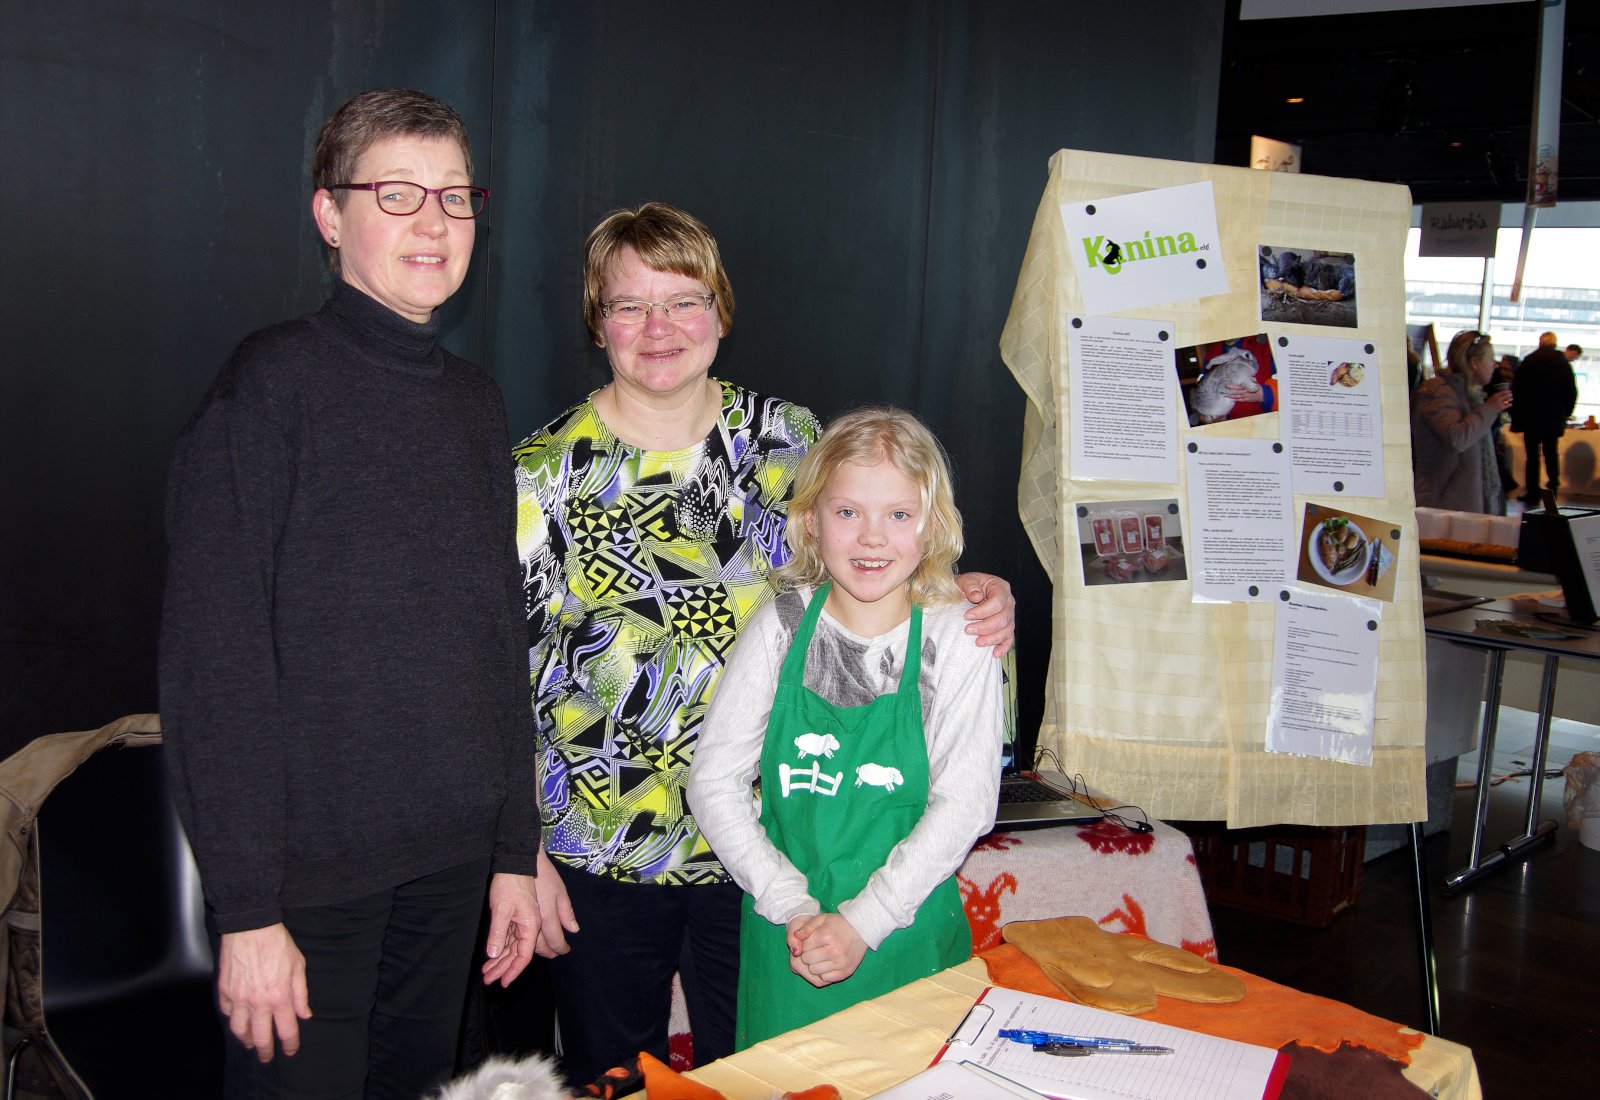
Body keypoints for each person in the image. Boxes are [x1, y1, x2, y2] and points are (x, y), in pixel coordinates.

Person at [511, 203, 1014, 1085]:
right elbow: (489, 682)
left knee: (754, 1075)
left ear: (722, 311)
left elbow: (875, 558)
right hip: (598, 855)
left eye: (685, 299)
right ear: (598, 322)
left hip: (761, 863)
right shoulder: (541, 475)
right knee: (614, 1081)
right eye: (630, 305)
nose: (659, 328)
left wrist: (971, 590)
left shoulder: (787, 445)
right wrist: (515, 858)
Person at [161, 89, 540, 1098]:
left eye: (454, 197)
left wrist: (513, 848)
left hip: (451, 868)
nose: (432, 221)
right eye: (398, 193)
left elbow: (497, 637)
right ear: (331, 216)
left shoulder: (472, 402)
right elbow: (216, 665)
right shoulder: (267, 388)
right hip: (307, 887)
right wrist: (244, 910)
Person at [687, 406, 1002, 1048]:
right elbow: (713, 784)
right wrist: (794, 907)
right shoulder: (778, 627)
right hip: (791, 943)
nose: (872, 538)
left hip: (909, 937)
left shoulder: (959, 637)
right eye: (848, 512)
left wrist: (865, 921)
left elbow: (966, 803)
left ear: (932, 526)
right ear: (811, 521)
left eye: (899, 514)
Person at [1411, 329, 1512, 514]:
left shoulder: (1471, 397)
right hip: (1441, 510)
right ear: (1474, 363)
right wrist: (1490, 409)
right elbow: (1456, 439)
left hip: (1460, 509)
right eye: (1491, 359)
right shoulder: (1438, 393)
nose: (1495, 365)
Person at [1510, 331, 1579, 505]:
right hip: (1553, 418)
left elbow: (1518, 390)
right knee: (1551, 455)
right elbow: (1571, 392)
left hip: (1531, 418)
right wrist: (1565, 413)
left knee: (1532, 457)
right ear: (1555, 344)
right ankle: (1553, 489)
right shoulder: (1563, 365)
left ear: (1540, 343)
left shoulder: (1530, 361)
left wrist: (1518, 413)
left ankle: (1532, 492)